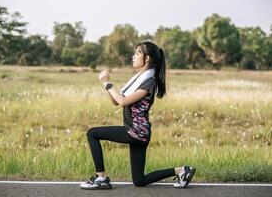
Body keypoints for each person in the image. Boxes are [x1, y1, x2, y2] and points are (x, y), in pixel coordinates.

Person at [80, 41, 196, 190]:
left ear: (147, 58)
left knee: (92, 133)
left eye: (137, 53)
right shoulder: (137, 79)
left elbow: (122, 101)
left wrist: (108, 83)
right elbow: (116, 101)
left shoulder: (148, 82)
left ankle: (101, 178)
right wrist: (107, 85)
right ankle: (182, 170)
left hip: (136, 131)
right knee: (139, 181)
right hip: (138, 133)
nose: (133, 56)